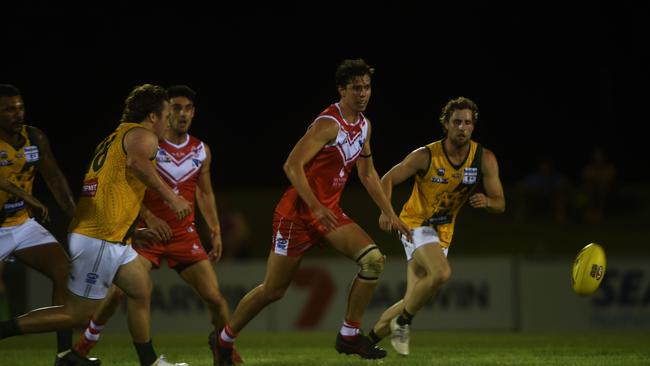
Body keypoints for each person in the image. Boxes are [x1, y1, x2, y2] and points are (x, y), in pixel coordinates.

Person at [212, 59, 411, 365]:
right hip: (297, 215)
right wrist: (315, 207)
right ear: (342, 90)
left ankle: (348, 335)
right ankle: (224, 339)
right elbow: (291, 165)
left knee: (373, 261)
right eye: (356, 88)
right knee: (273, 290)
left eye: (367, 87)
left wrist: (390, 213)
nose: (363, 94)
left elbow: (368, 174)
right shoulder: (327, 124)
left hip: (328, 213)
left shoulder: (364, 125)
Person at [0, 84, 192, 366]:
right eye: (167, 114)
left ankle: (150, 362)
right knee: (77, 314)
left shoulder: (116, 137)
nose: (170, 122)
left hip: (109, 235)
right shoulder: (143, 136)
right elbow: (139, 164)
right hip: (101, 237)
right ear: (152, 117)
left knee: (140, 289)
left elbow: (114, 189)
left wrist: (134, 230)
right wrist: (172, 199)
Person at [68, 85, 242, 365]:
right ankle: (82, 350)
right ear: (164, 112)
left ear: (193, 112)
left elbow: (205, 192)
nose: (182, 114)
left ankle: (223, 350)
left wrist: (215, 229)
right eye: (175, 108)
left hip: (184, 234)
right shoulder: (148, 142)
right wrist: (148, 217)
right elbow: (130, 181)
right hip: (149, 233)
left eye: (188, 108)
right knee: (119, 292)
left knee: (216, 299)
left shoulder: (201, 150)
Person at [366, 96, 505, 356]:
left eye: (467, 123)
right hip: (415, 225)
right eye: (456, 122)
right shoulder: (426, 155)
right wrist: (387, 212)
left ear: (473, 126)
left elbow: (501, 204)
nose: (462, 128)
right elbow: (387, 178)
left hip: (442, 233)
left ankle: (367, 341)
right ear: (446, 125)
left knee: (414, 297)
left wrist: (487, 201)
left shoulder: (484, 159)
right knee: (441, 274)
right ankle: (403, 322)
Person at [0, 84, 77, 365]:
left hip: (21, 225)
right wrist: (26, 196)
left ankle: (65, 354)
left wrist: (76, 217)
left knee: (66, 272)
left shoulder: (34, 137)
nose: (17, 114)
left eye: (20, 107)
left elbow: (55, 178)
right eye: (9, 109)